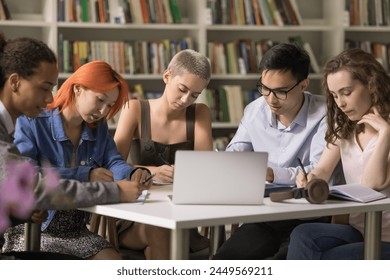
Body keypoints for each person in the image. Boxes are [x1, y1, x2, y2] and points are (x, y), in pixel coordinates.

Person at [0, 34, 148, 259]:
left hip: (74, 228)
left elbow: (113, 161)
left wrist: (132, 173)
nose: (49, 98)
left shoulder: (97, 126)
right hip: (36, 229)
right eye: (44, 88)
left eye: (110, 105)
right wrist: (104, 185)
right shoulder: (26, 122)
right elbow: (34, 185)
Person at [213, 43, 343, 260]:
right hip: (266, 214)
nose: (270, 99)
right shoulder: (255, 110)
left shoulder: (326, 114)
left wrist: (272, 173)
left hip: (311, 217)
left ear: (303, 85)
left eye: (281, 91)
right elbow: (237, 150)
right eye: (264, 88)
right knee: (223, 262)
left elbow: (320, 171)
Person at [287, 48, 390, 260]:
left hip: (386, 238)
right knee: (303, 235)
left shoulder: (387, 130)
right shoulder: (344, 125)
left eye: (346, 92)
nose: (340, 103)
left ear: (371, 85)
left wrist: (385, 133)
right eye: (334, 95)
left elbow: (372, 183)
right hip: (359, 230)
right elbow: (324, 168)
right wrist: (310, 178)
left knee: (325, 260)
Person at [113, 49, 213, 259]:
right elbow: (111, 167)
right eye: (182, 89)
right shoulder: (134, 109)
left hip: (178, 212)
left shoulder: (200, 113)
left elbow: (206, 169)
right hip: (134, 213)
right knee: (159, 229)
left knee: (161, 239)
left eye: (195, 95)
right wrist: (151, 172)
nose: (186, 99)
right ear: (167, 76)